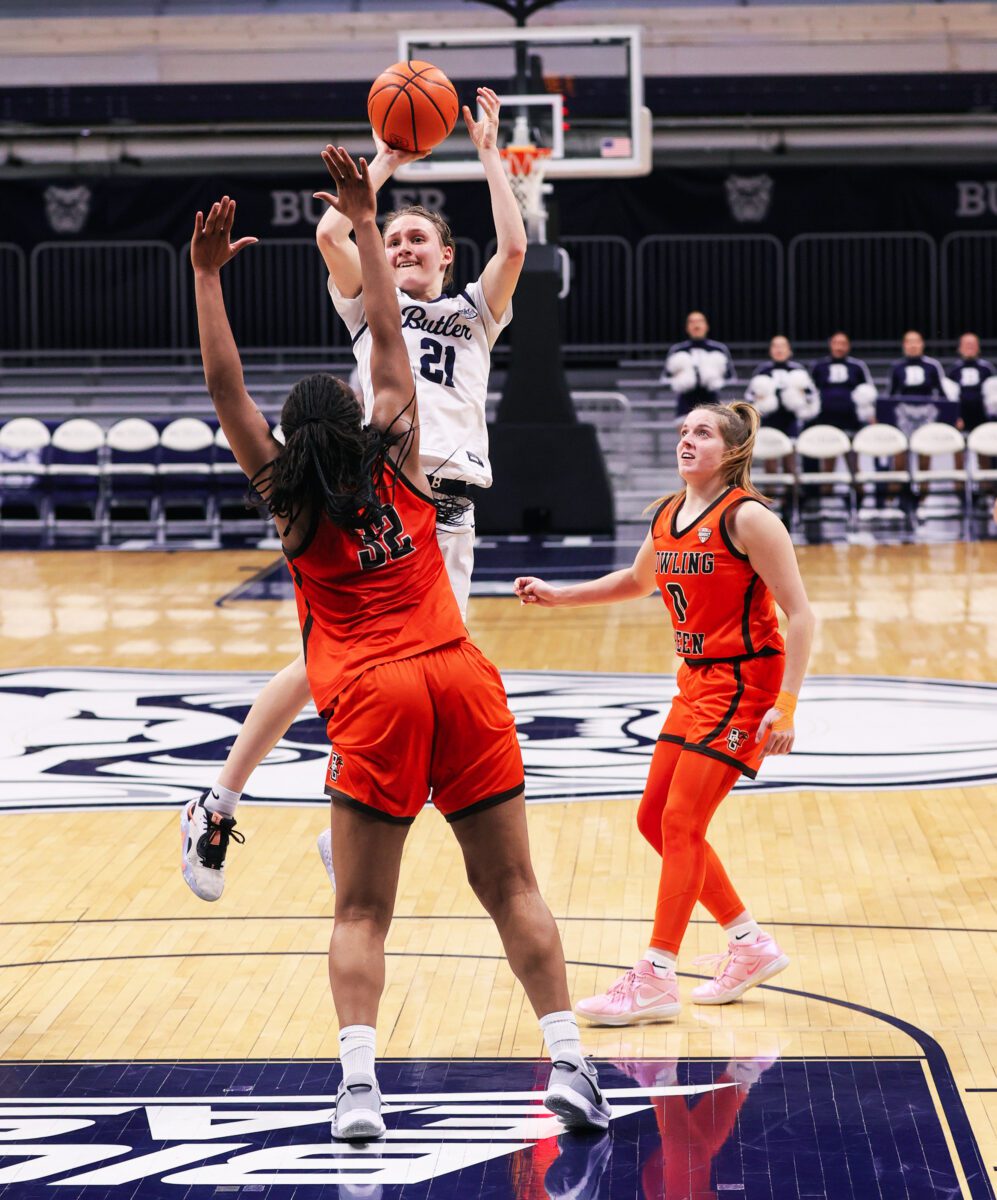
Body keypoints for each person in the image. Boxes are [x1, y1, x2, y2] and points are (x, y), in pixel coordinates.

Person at [189, 163, 610, 1138]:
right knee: (512, 888)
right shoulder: (408, 456)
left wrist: (208, 277)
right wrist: (369, 222)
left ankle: (359, 1090)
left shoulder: (288, 505)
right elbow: (387, 340)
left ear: (287, 448)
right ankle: (571, 1064)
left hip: (376, 696)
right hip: (460, 675)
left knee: (360, 914)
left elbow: (225, 385)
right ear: (370, 420)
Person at [181, 88, 526, 902]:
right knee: (334, 664)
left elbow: (511, 248)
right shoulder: (364, 300)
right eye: (396, 235)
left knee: (399, 678)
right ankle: (226, 798)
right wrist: (389, 164)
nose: (403, 244)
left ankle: (289, 809)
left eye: (420, 238)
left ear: (445, 257)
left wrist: (485, 152)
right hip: (375, 491)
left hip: (449, 513)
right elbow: (334, 229)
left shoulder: (474, 314)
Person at [514, 401, 815, 1023]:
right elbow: (634, 581)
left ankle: (655, 974)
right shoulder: (668, 515)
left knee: (681, 820)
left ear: (729, 452)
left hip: (744, 683)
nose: (686, 440)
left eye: (701, 433)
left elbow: (804, 616)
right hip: (694, 683)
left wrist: (785, 707)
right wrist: (557, 597)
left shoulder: (750, 518)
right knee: (654, 819)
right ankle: (748, 943)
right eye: (683, 431)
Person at [662, 311, 736, 417]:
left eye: (700, 321)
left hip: (712, 405)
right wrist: (679, 382)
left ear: (706, 326)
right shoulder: (677, 350)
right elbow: (664, 379)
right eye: (692, 322)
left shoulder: (719, 349)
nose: (696, 325)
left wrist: (716, 381)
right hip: (684, 407)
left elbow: (732, 378)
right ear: (687, 327)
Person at [745, 335, 820, 436]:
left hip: (793, 420)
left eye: (782, 346)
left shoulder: (798, 370)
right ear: (770, 350)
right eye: (775, 346)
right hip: (768, 420)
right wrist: (757, 399)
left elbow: (812, 395)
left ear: (789, 349)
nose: (779, 350)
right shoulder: (762, 370)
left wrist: (803, 397)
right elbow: (749, 396)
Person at [810, 331, 876, 434]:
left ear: (848, 346)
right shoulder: (818, 366)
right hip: (823, 420)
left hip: (852, 421)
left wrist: (870, 416)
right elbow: (811, 391)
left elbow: (868, 391)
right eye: (836, 343)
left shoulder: (858, 366)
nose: (839, 347)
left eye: (843, 344)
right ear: (830, 344)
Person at [948, 332, 996, 432]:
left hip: (983, 415)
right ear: (959, 348)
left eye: (972, 344)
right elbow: (949, 396)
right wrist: (954, 416)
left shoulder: (987, 369)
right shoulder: (953, 370)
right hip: (961, 415)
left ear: (978, 348)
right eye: (966, 344)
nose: (969, 347)